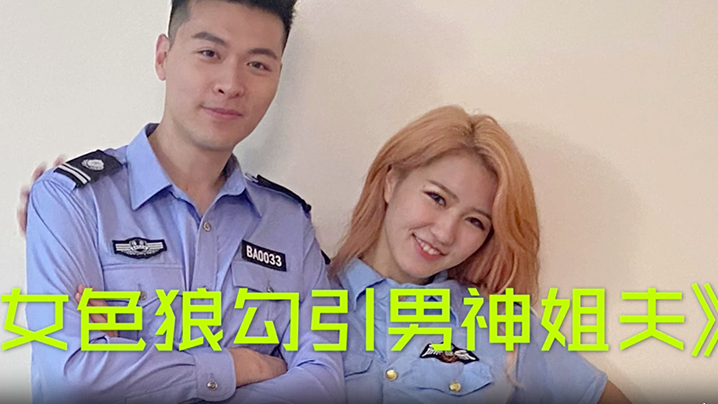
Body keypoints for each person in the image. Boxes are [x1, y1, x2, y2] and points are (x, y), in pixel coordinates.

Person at [22, 0, 343, 403]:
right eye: (210, 53)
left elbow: (322, 382)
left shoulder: (288, 224)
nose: (231, 84)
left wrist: (132, 373)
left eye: (257, 64)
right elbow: (73, 377)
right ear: (163, 57)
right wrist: (242, 366)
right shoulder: (74, 202)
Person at [329, 105, 632, 403]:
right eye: (437, 198)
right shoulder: (310, 297)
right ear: (391, 182)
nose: (445, 233)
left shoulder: (502, 323)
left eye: (475, 221)